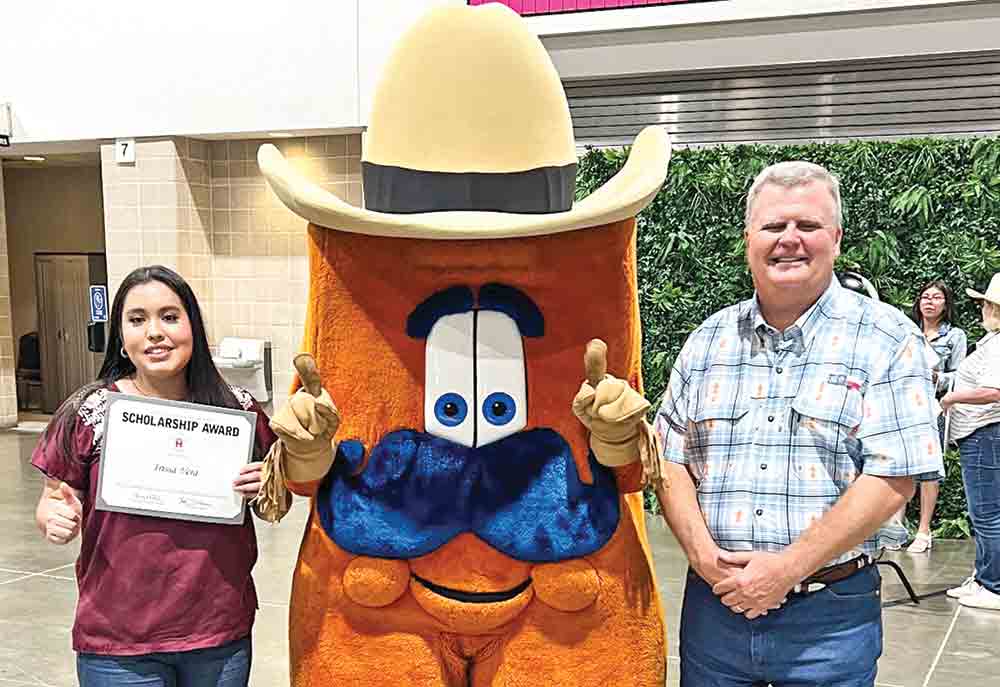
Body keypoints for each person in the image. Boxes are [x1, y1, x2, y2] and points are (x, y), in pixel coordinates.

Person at [655, 161, 942, 687]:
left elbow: (896, 474)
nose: (790, 240)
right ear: (748, 240)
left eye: (807, 226)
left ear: (835, 237)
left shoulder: (885, 338)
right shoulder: (708, 340)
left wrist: (786, 568)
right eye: (773, 227)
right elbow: (669, 458)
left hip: (828, 619)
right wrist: (700, 554)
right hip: (715, 613)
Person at [32, 265, 278, 687]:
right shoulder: (89, 410)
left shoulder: (238, 409)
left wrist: (265, 486)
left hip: (217, 633)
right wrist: (54, 516)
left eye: (169, 316)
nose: (154, 332)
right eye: (137, 319)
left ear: (193, 328)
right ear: (121, 339)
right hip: (118, 640)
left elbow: (277, 499)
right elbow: (54, 497)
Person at [940, 272, 1000, 610]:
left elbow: (994, 391)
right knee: (986, 511)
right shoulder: (992, 342)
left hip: (985, 433)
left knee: (988, 512)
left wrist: (952, 399)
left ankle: (993, 585)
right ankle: (983, 576)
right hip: (981, 434)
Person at [904, 281, 967, 553]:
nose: (929, 301)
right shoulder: (906, 331)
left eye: (936, 297)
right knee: (900, 463)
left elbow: (961, 375)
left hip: (933, 407)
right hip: (902, 405)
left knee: (929, 468)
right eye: (925, 296)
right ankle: (897, 525)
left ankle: (924, 530)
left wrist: (937, 378)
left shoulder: (955, 336)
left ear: (946, 303)